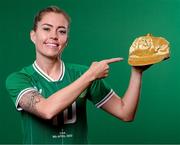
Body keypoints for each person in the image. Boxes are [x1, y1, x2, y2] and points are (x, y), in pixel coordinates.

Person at [6, 6, 150, 144]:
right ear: (33, 35)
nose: (54, 36)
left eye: (61, 31)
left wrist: (137, 72)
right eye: (46, 29)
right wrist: (90, 75)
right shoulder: (18, 79)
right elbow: (47, 110)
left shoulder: (82, 73)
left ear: (66, 40)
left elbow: (125, 113)